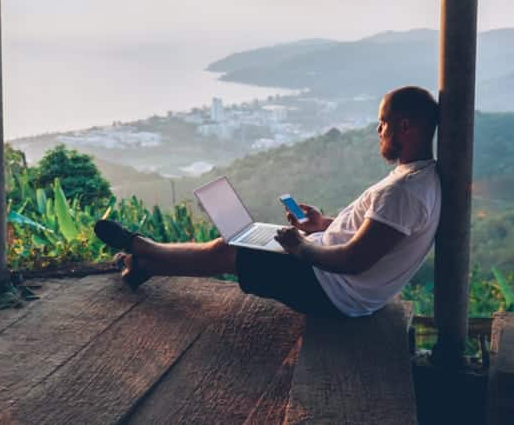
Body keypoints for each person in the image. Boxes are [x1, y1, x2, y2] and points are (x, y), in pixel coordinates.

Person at [93, 86, 442, 317]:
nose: (378, 131)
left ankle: (141, 246)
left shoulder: (404, 192)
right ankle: (144, 265)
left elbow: (353, 260)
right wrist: (322, 226)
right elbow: (372, 235)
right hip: (329, 270)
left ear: (406, 126)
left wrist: (302, 249)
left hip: (333, 292)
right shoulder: (416, 177)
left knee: (232, 249)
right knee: (239, 240)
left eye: (383, 123)